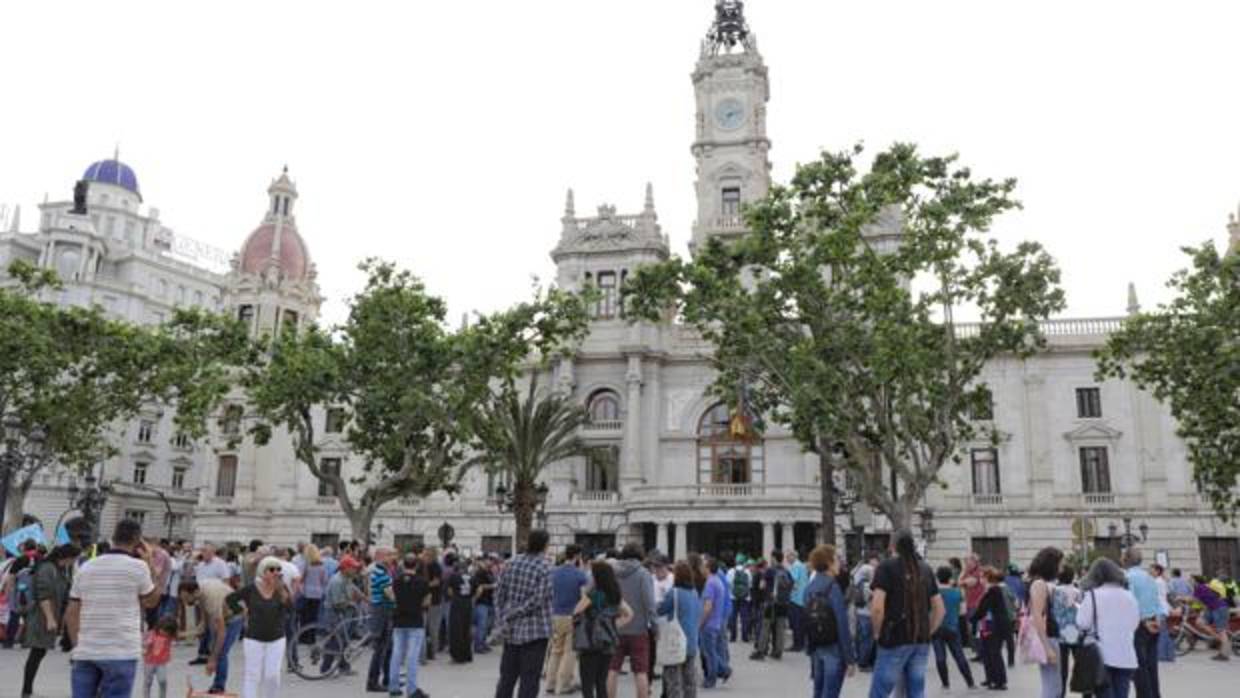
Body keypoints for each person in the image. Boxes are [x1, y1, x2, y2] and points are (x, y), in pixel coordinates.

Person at [65, 519, 160, 698]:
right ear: (138, 540)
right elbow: (151, 602)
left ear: (113, 538)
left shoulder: (86, 567)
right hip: (121, 651)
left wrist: (77, 646)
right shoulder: (138, 567)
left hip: (87, 651)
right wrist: (150, 564)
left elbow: (72, 611)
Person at [867, 529, 945, 698]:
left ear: (892, 545)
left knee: (879, 692)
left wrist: (877, 632)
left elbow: (877, 607)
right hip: (920, 639)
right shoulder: (925, 568)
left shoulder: (886, 567)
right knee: (915, 691)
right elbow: (940, 608)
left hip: (895, 637)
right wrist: (928, 630)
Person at [494, 529, 553, 698]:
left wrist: (502, 618)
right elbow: (538, 599)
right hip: (535, 632)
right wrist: (516, 612)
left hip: (511, 631)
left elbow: (498, 594)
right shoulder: (545, 567)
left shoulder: (511, 562)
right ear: (545, 545)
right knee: (530, 680)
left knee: (507, 677)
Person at [226, 556, 294, 698]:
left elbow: (291, 610)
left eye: (278, 569)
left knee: (272, 675)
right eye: (271, 569)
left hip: (276, 638)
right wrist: (242, 611)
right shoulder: (251, 589)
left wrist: (283, 594)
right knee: (252, 675)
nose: (276, 572)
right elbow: (230, 599)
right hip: (253, 638)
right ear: (263, 572)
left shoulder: (281, 588)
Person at [1076, 558, 1140, 697]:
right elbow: (1134, 624)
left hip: (1102, 656)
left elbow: (1082, 623)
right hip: (1126, 655)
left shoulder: (1093, 595)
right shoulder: (1129, 596)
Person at [21, 543, 77, 698]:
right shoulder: (47, 568)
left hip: (48, 616)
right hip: (42, 617)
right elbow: (43, 595)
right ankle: (26, 691)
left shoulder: (57, 569)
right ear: (66, 557)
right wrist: (50, 619)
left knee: (39, 652)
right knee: (37, 652)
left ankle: (27, 690)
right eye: (73, 558)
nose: (74, 562)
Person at [574, 560, 633, 698]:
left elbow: (576, 612)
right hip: (608, 642)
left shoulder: (593, 594)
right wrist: (612, 625)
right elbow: (630, 614)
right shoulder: (615, 594)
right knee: (601, 682)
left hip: (590, 642)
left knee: (587, 683)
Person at [803, 544, 854, 698]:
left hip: (816, 647)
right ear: (829, 562)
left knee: (818, 692)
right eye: (837, 559)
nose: (840, 562)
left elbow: (806, 621)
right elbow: (842, 624)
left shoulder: (809, 588)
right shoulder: (833, 587)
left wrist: (809, 649)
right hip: (834, 647)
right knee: (830, 693)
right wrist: (850, 658)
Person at [179, 576, 245, 694]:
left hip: (235, 617)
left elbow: (221, 632)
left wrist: (213, 659)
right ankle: (217, 685)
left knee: (220, 652)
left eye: (186, 598)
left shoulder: (211, 599)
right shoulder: (200, 592)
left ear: (194, 592)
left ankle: (219, 687)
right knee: (214, 649)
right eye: (182, 598)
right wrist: (181, 634)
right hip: (224, 614)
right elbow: (203, 626)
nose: (185, 602)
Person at [609, 543, 656, 698]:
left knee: (612, 669)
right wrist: (654, 626)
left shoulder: (612, 572)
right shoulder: (643, 574)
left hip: (616, 626)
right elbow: (649, 603)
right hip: (638, 628)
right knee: (641, 671)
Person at [546, 544, 588, 695]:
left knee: (556, 650)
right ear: (577, 556)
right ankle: (563, 684)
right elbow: (585, 598)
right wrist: (577, 612)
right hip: (571, 616)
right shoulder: (580, 575)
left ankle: (550, 683)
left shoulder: (554, 572)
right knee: (569, 652)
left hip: (555, 615)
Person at [657, 561, 702, 698]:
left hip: (675, 641)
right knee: (689, 680)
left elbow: (660, 610)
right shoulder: (695, 593)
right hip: (691, 641)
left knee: (674, 681)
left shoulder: (674, 592)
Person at [1122, 548, 1161, 698]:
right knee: (1152, 666)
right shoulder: (1150, 577)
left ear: (1126, 560)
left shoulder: (1127, 577)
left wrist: (1144, 622)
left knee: (1139, 668)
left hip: (1139, 625)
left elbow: (1131, 603)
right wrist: (1156, 620)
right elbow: (1156, 601)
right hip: (1153, 623)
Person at [390, 554, 431, 698]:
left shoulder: (396, 581)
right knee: (412, 657)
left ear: (403, 565)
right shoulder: (423, 582)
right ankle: (412, 689)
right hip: (415, 621)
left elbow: (392, 597)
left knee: (396, 654)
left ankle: (393, 686)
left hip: (399, 620)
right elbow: (427, 602)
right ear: (417, 565)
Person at [931, 565, 974, 692]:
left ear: (937, 577)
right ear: (950, 577)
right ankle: (970, 682)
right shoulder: (957, 592)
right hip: (953, 627)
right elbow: (962, 611)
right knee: (959, 655)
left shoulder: (933, 593)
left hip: (936, 627)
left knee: (940, 656)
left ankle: (945, 684)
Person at [1028, 547, 1063, 698]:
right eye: (1060, 563)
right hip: (1048, 638)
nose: (1062, 567)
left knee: (1054, 685)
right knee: (1051, 685)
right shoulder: (1039, 584)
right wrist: (1047, 647)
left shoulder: (1041, 583)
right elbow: (1037, 615)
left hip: (1051, 637)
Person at [321, 554, 365, 676]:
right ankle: (325, 669)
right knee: (335, 641)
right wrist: (352, 604)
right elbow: (337, 603)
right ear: (345, 568)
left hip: (344, 613)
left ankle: (344, 667)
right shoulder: (337, 581)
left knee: (344, 640)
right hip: (335, 613)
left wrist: (366, 599)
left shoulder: (347, 578)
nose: (355, 570)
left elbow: (355, 589)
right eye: (353, 567)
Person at [970, 567, 1012, 690]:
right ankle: (990, 678)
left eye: (982, 576)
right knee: (987, 653)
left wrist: (973, 618)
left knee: (994, 653)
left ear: (988, 578)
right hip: (989, 625)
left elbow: (983, 608)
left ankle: (1000, 681)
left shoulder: (993, 590)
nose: (980, 579)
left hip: (994, 626)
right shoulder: (991, 590)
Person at [368, 547, 397, 692]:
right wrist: (399, 605)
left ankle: (388, 678)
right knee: (380, 648)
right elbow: (390, 594)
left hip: (381, 609)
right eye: (389, 555)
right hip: (382, 611)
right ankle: (373, 681)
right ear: (380, 557)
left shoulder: (382, 571)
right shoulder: (381, 573)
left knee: (387, 646)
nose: (392, 557)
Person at [699, 557, 730, 687]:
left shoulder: (710, 583)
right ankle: (724, 669)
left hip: (709, 624)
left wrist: (700, 623)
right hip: (716, 622)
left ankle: (712, 678)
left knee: (709, 653)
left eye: (703, 566)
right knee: (711, 651)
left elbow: (708, 606)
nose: (701, 568)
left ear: (708, 568)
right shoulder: (717, 581)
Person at [1190, 574, 1230, 661]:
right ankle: (1216, 637)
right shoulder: (1200, 588)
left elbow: (1193, 600)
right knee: (1200, 622)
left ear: (1196, 581)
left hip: (1219, 608)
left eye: (1191, 580)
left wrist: (1180, 598)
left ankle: (1224, 654)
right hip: (1211, 608)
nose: (1190, 581)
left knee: (1221, 631)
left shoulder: (1200, 587)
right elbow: (1199, 601)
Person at [445, 554, 473, 663]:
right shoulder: (471, 576)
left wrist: (454, 596)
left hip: (457, 603)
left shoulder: (453, 576)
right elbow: (477, 590)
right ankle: (467, 654)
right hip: (468, 603)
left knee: (456, 630)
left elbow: (448, 590)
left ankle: (457, 656)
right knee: (466, 629)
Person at [851, 553, 877, 671]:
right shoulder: (868, 585)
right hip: (868, 614)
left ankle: (858, 658)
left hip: (860, 612)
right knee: (867, 639)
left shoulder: (858, 582)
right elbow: (871, 600)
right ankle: (863, 663)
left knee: (860, 637)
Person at [142, 615, 177, 698]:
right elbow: (144, 643)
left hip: (161, 662)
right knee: (148, 681)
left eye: (167, 632)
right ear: (159, 627)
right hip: (149, 661)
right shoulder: (152, 633)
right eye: (163, 630)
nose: (164, 633)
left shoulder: (168, 636)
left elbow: (180, 636)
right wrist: (146, 645)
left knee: (162, 680)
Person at [959, 553, 985, 659]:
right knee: (972, 630)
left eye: (968, 562)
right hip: (970, 604)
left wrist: (963, 579)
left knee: (977, 629)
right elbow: (959, 581)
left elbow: (968, 583)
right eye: (965, 563)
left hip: (977, 605)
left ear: (975, 562)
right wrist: (964, 572)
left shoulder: (978, 572)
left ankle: (982, 653)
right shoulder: (968, 572)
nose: (966, 564)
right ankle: (979, 653)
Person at [300, 544, 329, 634]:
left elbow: (302, 579)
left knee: (305, 615)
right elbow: (324, 580)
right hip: (318, 593)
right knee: (314, 615)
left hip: (307, 592)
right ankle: (312, 636)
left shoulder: (306, 565)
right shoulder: (321, 565)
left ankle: (303, 635)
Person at [472, 556, 497, 654]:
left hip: (490, 601)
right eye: (488, 560)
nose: (490, 562)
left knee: (487, 625)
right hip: (482, 602)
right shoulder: (479, 573)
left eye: (491, 560)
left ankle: (483, 642)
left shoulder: (489, 572)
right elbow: (479, 586)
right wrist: (492, 586)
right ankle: (478, 645)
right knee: (481, 625)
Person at [788, 550, 810, 652]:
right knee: (801, 623)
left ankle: (797, 645)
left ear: (794, 556)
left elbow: (792, 580)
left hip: (795, 598)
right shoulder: (802, 566)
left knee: (796, 623)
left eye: (788, 556)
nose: (787, 558)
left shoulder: (796, 566)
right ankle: (801, 644)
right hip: (802, 599)